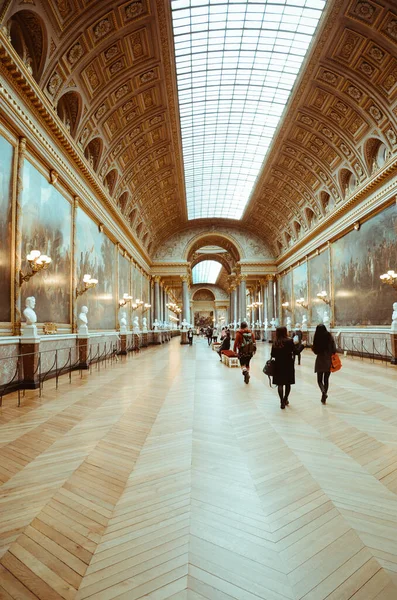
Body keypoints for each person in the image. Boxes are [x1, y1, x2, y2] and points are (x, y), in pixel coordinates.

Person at [271, 326, 295, 409]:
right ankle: (286, 398)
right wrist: (302, 345)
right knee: (288, 383)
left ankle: (281, 401)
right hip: (288, 364)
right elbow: (295, 352)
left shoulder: (275, 342)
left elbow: (272, 355)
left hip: (278, 364)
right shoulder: (289, 341)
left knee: (280, 384)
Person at [312, 324, 336, 404]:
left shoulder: (317, 338)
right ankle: (324, 395)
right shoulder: (329, 337)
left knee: (319, 380)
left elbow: (315, 351)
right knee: (326, 379)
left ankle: (323, 391)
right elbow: (334, 349)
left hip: (320, 360)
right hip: (328, 360)